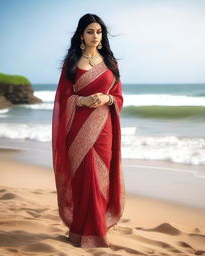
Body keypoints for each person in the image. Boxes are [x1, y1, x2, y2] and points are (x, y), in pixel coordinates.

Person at [51, 13, 125, 248]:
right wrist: (80, 102)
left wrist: (106, 98)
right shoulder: (71, 63)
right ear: (81, 35)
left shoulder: (111, 63)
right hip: (78, 127)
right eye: (90, 31)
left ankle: (96, 231)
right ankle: (80, 232)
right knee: (83, 179)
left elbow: (118, 97)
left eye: (99, 32)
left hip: (104, 128)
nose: (95, 36)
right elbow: (63, 98)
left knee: (101, 179)